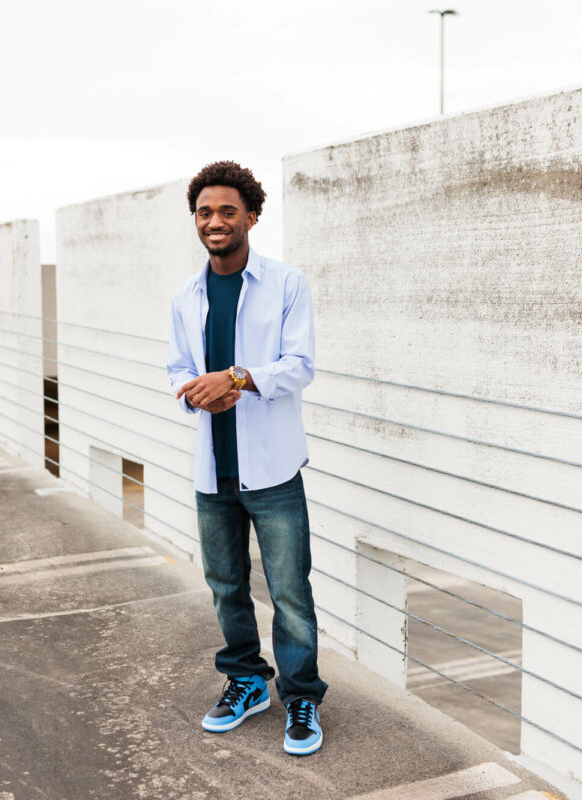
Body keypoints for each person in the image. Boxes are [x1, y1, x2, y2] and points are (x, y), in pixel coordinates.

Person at [166, 160, 327, 756]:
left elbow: (300, 363)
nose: (215, 221)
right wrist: (197, 391)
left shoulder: (287, 284)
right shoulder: (186, 295)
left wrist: (239, 377)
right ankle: (246, 681)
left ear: (251, 217)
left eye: (227, 211)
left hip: (273, 467)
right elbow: (176, 369)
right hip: (213, 467)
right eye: (205, 212)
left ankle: (302, 695)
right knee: (225, 585)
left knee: (288, 589)